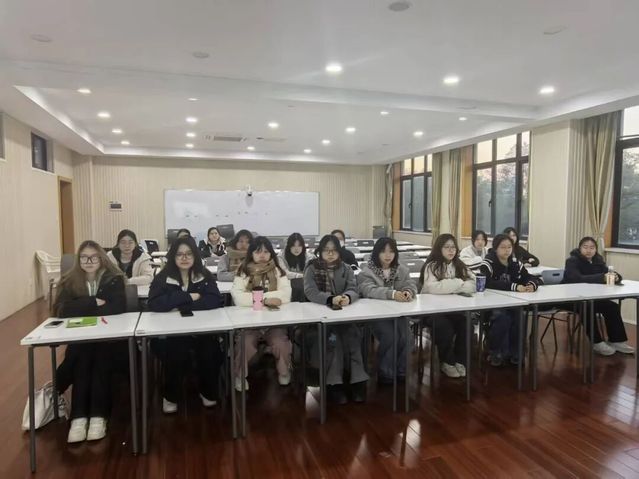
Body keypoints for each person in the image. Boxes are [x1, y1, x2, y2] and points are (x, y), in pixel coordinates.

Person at [52, 240, 126, 443]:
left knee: (96, 356)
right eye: (84, 257)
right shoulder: (69, 281)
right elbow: (61, 310)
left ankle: (98, 416)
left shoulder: (114, 279)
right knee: (83, 357)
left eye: (93, 257)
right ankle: (79, 418)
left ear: (101, 258)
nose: (89, 261)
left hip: (110, 339)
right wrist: (93, 302)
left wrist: (79, 307)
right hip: (81, 339)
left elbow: (116, 307)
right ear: (79, 260)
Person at [148, 237, 225, 414]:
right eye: (179, 254)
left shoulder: (204, 276)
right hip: (170, 333)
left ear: (195, 256)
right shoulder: (163, 277)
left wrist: (180, 305)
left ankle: (208, 391)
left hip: (201, 330)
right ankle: (170, 396)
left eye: (189, 254)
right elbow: (155, 303)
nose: (184, 258)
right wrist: (189, 296)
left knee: (210, 351)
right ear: (173, 257)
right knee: (176, 352)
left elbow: (214, 300)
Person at [304, 234, 368, 404]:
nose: (330, 254)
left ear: (339, 252)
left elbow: (353, 288)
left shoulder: (346, 268)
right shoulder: (312, 268)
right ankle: (334, 383)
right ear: (320, 251)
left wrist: (347, 297)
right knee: (334, 341)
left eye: (334, 250)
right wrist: (330, 299)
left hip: (344, 316)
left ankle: (358, 381)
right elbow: (310, 292)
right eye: (326, 250)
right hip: (320, 318)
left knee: (353, 337)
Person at [231, 236, 293, 390]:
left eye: (266, 252)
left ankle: (284, 372)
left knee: (281, 343)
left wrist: (257, 298)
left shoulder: (278, 270)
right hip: (249, 322)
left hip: (274, 321)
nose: (262, 255)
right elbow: (238, 297)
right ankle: (239, 375)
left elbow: (286, 294)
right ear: (251, 253)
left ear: (271, 253)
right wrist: (266, 300)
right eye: (258, 252)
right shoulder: (243, 271)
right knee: (245, 344)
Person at [357, 237, 417, 384]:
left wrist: (408, 292)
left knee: (407, 337)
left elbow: (411, 284)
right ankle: (386, 371)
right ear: (377, 253)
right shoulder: (367, 272)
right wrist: (392, 294)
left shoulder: (401, 269)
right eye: (383, 251)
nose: (388, 255)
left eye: (391, 251)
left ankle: (401, 370)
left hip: (398, 313)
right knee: (391, 336)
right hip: (376, 314)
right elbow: (368, 290)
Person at [562, 236, 635, 356]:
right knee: (587, 307)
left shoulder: (598, 260)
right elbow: (577, 279)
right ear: (579, 248)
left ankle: (617, 341)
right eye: (585, 247)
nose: (588, 250)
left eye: (592, 248)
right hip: (571, 298)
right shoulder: (572, 261)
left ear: (596, 249)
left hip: (592, 297)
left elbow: (608, 273)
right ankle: (597, 342)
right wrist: (602, 277)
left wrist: (617, 277)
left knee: (612, 307)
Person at [479, 234, 541, 366]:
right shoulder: (488, 263)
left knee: (519, 316)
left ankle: (516, 353)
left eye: (509, 247)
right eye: (503, 247)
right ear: (495, 248)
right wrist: (513, 286)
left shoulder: (515, 263)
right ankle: (496, 352)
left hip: (513, 302)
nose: (506, 250)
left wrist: (532, 284)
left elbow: (528, 276)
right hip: (492, 303)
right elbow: (487, 282)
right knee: (502, 317)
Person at [420, 234, 475, 378]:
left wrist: (449, 287)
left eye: (453, 247)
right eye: (447, 247)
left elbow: (473, 284)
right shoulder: (431, 266)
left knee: (467, 324)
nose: (451, 250)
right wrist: (458, 283)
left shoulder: (459, 265)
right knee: (444, 327)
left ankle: (460, 361)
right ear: (439, 248)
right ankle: (447, 361)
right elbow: (433, 288)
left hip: (453, 309)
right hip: (431, 310)